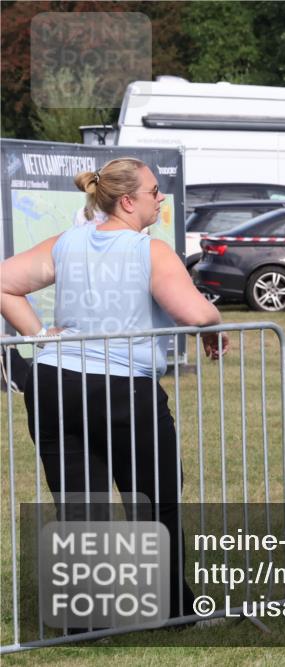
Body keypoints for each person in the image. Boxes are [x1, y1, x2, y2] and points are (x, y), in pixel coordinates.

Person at [0, 157, 230, 621]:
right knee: (154, 498)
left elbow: (4, 282)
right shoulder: (151, 251)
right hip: (122, 388)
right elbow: (196, 312)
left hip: (53, 385)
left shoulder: (66, 242)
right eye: (153, 191)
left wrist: (42, 336)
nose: (160, 197)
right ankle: (170, 607)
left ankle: (80, 617)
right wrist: (213, 325)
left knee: (79, 504)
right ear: (129, 201)